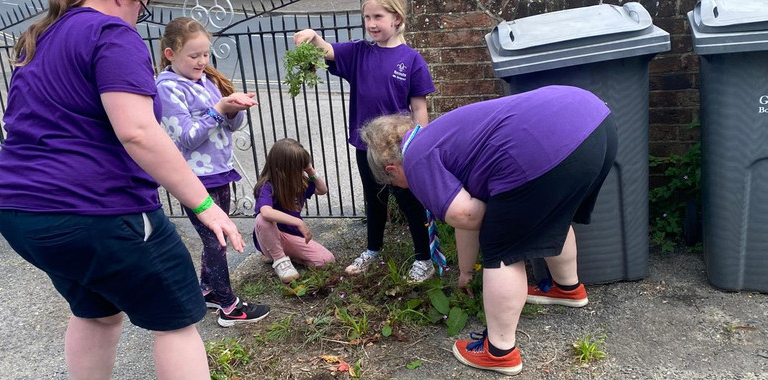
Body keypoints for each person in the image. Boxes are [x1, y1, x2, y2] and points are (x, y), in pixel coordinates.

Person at [0, 1, 243, 378]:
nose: (137, 15)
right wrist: (205, 203)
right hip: (97, 209)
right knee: (176, 321)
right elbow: (138, 131)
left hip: (18, 211)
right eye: (141, 8)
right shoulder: (110, 33)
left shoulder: (44, 35)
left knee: (97, 314)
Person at [361, 85, 618, 376]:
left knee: (501, 246)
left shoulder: (417, 158)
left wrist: (506, 222)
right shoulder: (436, 135)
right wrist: (466, 272)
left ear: (391, 169)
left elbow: (467, 214)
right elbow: (463, 216)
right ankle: (568, 288)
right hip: (597, 122)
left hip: (551, 146)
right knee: (550, 217)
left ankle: (499, 352)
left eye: (394, 185)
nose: (400, 189)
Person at [293, 0, 437, 283]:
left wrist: (419, 143)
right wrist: (311, 35)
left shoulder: (411, 59)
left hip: (399, 148)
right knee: (375, 200)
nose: (371, 23)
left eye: (378, 17)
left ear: (396, 18)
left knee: (410, 202)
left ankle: (424, 259)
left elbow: (419, 107)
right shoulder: (359, 52)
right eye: (367, 17)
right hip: (366, 146)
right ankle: (372, 250)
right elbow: (327, 49)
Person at [156, 16, 269, 328]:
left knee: (215, 234)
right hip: (195, 179)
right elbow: (188, 137)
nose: (202, 61)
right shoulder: (168, 89)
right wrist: (218, 109)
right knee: (216, 240)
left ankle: (208, 290)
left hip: (220, 172)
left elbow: (230, 126)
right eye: (194, 56)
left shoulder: (204, 81)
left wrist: (232, 109)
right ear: (171, 54)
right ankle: (229, 306)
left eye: (206, 55)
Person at [252, 138, 336, 283]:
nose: (301, 171)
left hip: (292, 237)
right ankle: (279, 260)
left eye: (302, 167)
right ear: (282, 169)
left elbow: (322, 190)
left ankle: (289, 257)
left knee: (327, 261)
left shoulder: (299, 181)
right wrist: (298, 222)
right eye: (298, 168)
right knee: (262, 219)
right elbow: (266, 212)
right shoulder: (267, 186)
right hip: (271, 238)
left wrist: (311, 171)